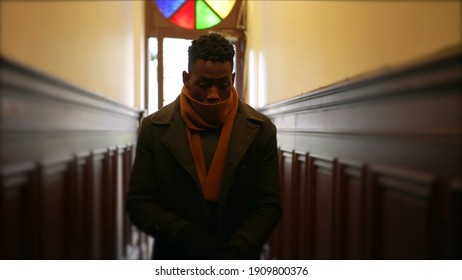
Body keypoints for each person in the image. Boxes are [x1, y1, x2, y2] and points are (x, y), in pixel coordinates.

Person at [126, 33, 281, 260]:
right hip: (176, 254)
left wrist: (240, 246)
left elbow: (269, 204)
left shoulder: (261, 129)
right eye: (204, 84)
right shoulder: (154, 127)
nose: (213, 95)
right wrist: (184, 233)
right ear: (186, 79)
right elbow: (139, 202)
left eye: (222, 84)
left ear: (233, 79)